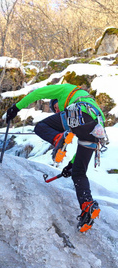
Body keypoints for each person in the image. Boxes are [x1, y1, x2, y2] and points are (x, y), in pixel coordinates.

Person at [6, 83, 107, 232]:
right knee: (78, 173)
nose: (57, 111)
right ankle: (88, 206)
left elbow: (37, 93)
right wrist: (71, 165)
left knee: (40, 127)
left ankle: (57, 138)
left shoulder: (65, 90)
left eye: (56, 108)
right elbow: (80, 151)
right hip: (97, 128)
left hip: (80, 113)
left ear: (56, 101)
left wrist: (16, 107)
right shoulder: (87, 101)